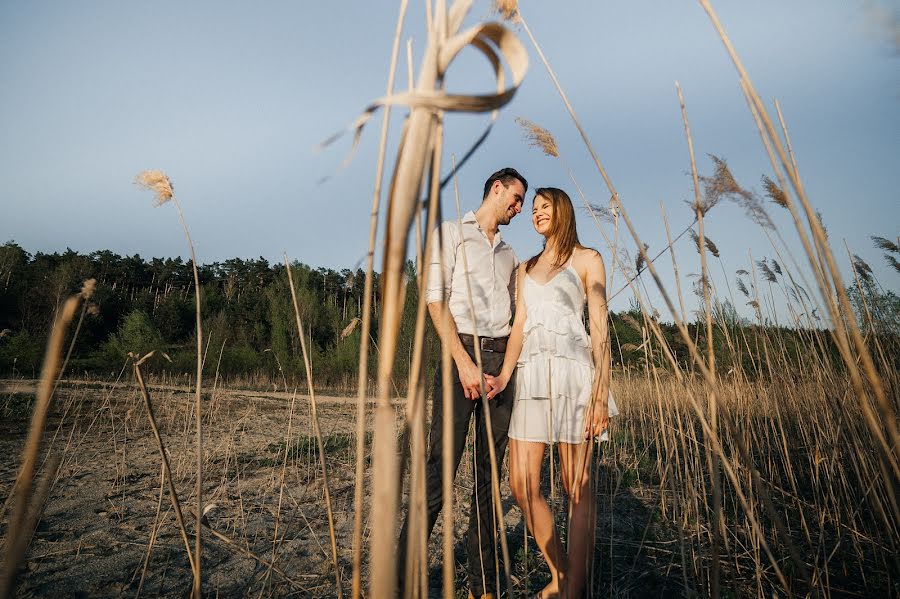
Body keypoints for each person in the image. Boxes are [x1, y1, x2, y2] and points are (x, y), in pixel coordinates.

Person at [397, 167, 528, 599]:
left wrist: (503, 371)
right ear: (497, 187)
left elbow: (518, 318)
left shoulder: (511, 256)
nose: (519, 207)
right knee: (439, 470)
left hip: (501, 364)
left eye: (523, 202)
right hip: (461, 357)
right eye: (516, 197)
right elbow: (436, 299)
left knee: (488, 480)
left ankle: (483, 586)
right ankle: (400, 582)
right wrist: (462, 362)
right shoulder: (450, 232)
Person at [485, 187, 618, 598]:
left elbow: (599, 330)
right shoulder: (525, 268)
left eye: (545, 206)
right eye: (533, 208)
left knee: (574, 485)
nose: (537, 213)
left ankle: (573, 589)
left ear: (563, 210)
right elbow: (520, 326)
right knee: (521, 485)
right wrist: (505, 376)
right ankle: (561, 572)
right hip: (530, 376)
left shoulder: (587, 258)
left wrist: (600, 392)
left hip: (574, 376)